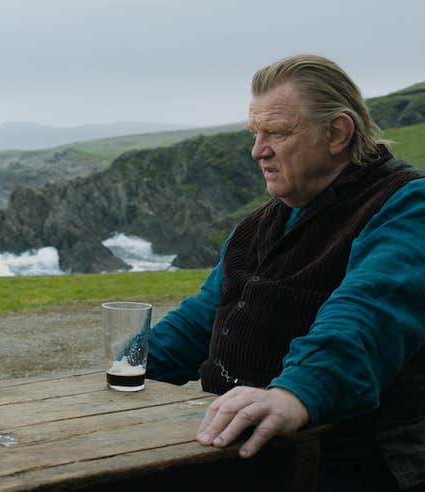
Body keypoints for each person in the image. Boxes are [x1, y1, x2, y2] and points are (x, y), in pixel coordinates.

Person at [144, 54, 425, 491]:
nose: (259, 150)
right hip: (244, 452)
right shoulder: (260, 223)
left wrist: (294, 394)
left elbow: (368, 313)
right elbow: (203, 317)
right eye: (255, 133)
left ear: (336, 133)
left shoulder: (408, 207)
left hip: (349, 463)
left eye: (277, 132)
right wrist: (128, 364)